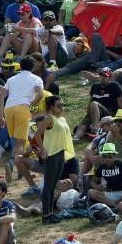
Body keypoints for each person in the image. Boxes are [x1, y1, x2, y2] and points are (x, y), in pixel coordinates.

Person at [35, 95, 76, 223]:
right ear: (51, 107)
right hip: (52, 155)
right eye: (59, 105)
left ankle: (50, 213)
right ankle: (46, 215)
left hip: (60, 155)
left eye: (62, 105)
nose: (61, 107)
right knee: (48, 186)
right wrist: (42, 150)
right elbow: (37, 134)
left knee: (53, 186)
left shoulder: (61, 119)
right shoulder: (49, 118)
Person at [0, 57, 44, 163]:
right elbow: (40, 93)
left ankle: (23, 167)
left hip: (8, 109)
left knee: (20, 140)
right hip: (22, 109)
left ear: (20, 67)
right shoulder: (36, 79)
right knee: (20, 143)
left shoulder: (11, 79)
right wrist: (31, 104)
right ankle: (12, 164)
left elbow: (0, 97)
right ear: (32, 68)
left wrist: (0, 116)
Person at [87, 143, 122, 207]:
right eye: (105, 157)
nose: (107, 159)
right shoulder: (102, 167)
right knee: (90, 192)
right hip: (109, 194)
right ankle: (115, 205)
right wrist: (97, 187)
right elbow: (92, 181)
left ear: (114, 156)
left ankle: (115, 205)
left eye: (110, 157)